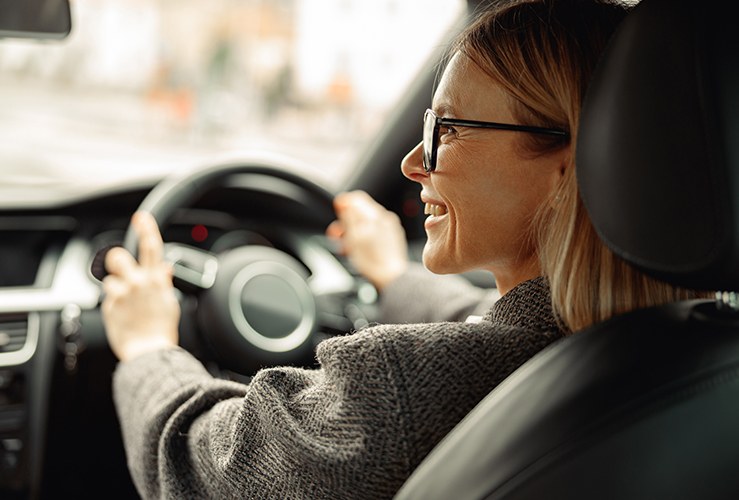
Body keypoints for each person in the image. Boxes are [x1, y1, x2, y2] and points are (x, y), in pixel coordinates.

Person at [101, 1, 693, 498]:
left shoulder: (398, 386)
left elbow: (198, 465)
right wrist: (390, 275)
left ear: (569, 166)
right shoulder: (681, 348)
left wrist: (149, 347)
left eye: (449, 131)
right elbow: (484, 327)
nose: (413, 163)